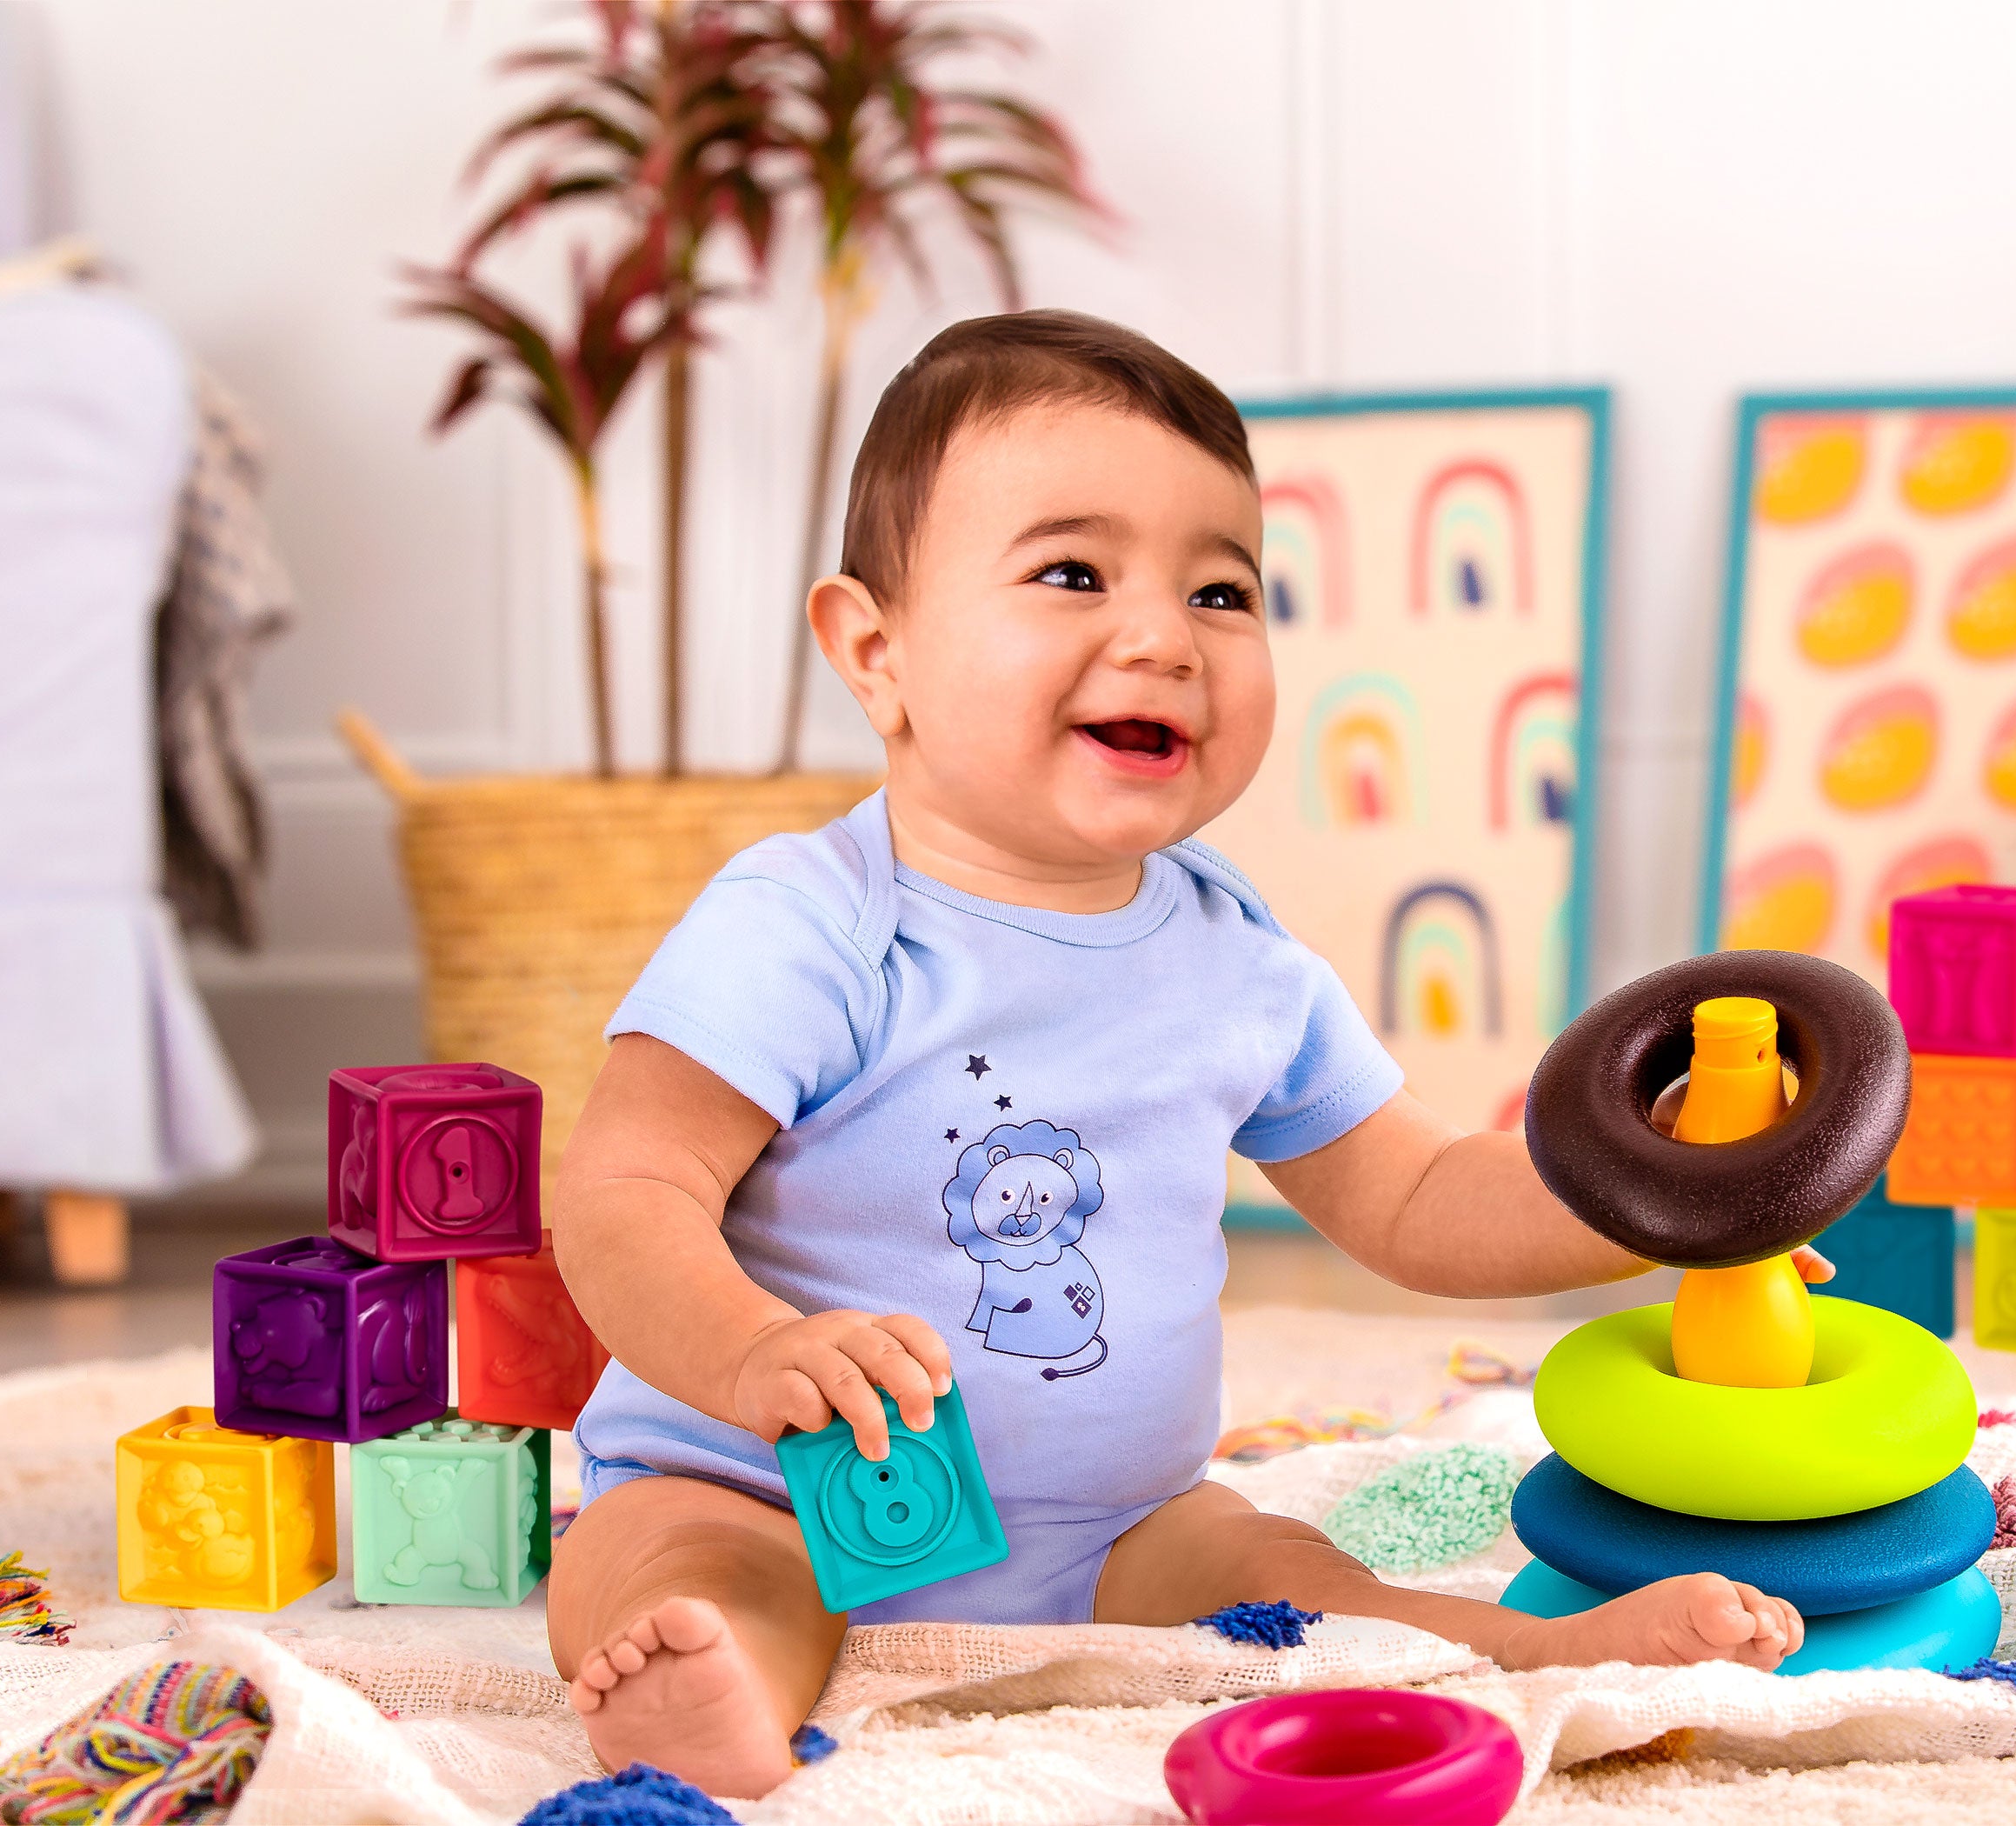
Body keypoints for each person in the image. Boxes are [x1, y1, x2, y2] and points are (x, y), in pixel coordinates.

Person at [548, 310, 1815, 1799]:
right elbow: (626, 1192)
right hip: (762, 1483)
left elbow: (1416, 1199)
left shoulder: (1236, 956)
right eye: (1073, 574)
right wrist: (752, 1350)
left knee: (1288, 1571)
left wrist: (1663, 1199)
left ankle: (1521, 1650)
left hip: (1120, 1527)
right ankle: (711, 1685)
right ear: (876, 652)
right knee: (673, 1564)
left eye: (1221, 591)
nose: (1164, 637)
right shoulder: (810, 921)